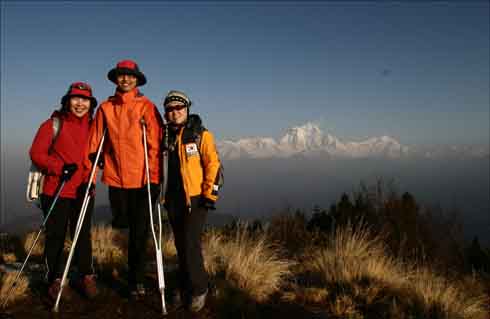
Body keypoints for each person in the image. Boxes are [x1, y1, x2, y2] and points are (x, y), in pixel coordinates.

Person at [85, 59, 162, 299]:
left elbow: (155, 146)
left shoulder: (146, 107)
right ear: (116, 79)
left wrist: (155, 178)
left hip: (142, 180)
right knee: (121, 226)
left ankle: (136, 280)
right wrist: (90, 173)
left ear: (137, 80)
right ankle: (125, 267)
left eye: (130, 76)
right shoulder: (106, 108)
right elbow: (94, 142)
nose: (126, 79)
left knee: (139, 232)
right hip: (116, 179)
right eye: (122, 76)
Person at [29, 82, 98, 301]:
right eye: (75, 98)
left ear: (90, 103)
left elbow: (95, 157)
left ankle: (85, 275)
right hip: (55, 189)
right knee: (56, 235)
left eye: (85, 100)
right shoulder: (52, 124)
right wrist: (59, 167)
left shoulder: (94, 127)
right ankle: (55, 280)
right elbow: (36, 153)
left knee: (81, 236)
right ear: (67, 101)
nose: (80, 103)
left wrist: (92, 179)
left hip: (83, 190)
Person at [161, 90, 223, 312]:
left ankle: (199, 289)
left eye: (179, 108)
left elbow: (213, 165)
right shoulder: (164, 136)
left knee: (190, 244)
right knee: (180, 245)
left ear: (187, 109)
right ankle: (185, 285)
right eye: (170, 109)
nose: (175, 112)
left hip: (195, 200)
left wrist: (209, 195)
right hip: (172, 200)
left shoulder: (200, 135)